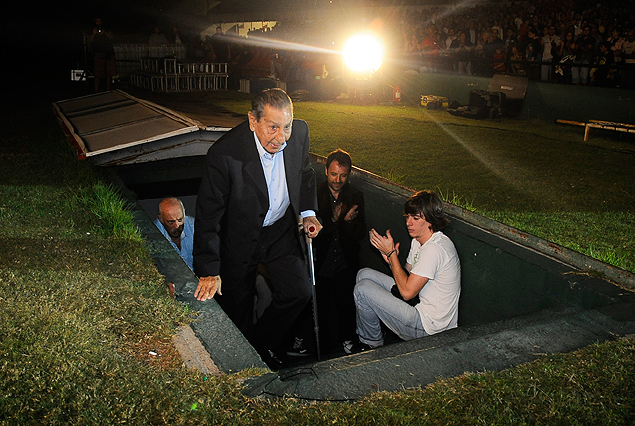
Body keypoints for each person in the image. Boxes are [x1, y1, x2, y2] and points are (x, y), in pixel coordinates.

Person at [193, 88, 322, 369]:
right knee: (238, 307)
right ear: (253, 121)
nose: (281, 137)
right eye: (273, 127)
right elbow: (208, 216)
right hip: (239, 238)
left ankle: (262, 343)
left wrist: (308, 212)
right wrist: (208, 270)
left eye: (286, 126)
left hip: (279, 232)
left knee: (300, 291)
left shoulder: (298, 134)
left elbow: (306, 173)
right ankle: (241, 365)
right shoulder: (224, 154)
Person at [345, 190, 461, 354]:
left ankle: (372, 346)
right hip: (416, 302)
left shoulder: (435, 249)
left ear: (430, 220)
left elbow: (406, 292)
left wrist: (392, 255)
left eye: (415, 218)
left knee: (362, 290)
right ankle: (377, 330)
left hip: (429, 327)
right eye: (408, 216)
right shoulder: (418, 241)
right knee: (364, 274)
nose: (408, 223)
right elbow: (405, 276)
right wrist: (391, 261)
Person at [309, 149, 366, 354]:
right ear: (326, 171)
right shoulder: (315, 194)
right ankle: (320, 347)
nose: (338, 179)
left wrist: (348, 222)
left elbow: (360, 234)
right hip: (321, 259)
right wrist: (335, 220)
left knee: (346, 304)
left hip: (344, 260)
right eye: (334, 174)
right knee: (320, 306)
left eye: (343, 175)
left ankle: (348, 340)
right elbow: (313, 231)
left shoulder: (355, 195)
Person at [153, 197, 194, 270]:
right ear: (161, 219)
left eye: (180, 220)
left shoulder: (194, 227)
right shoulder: (153, 234)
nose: (177, 226)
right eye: (171, 222)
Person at [89, 17, 117, 93]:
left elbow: (112, 37)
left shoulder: (107, 28)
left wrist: (105, 33)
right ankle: (96, 91)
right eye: (97, 21)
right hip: (98, 53)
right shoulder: (92, 29)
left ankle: (108, 90)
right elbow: (90, 40)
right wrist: (94, 34)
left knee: (109, 73)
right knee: (97, 74)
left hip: (108, 53)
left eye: (100, 21)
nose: (98, 23)